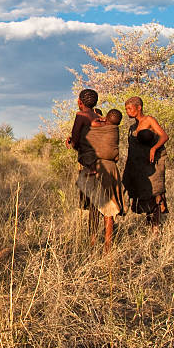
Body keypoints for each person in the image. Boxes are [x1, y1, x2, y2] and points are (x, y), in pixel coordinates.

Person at [66, 89, 123, 252]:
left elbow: (76, 141)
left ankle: (92, 241)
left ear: (79, 101)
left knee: (94, 205)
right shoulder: (102, 119)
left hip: (93, 166)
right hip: (108, 166)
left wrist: (73, 142)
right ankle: (108, 246)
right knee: (109, 208)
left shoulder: (82, 116)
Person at [122, 96, 168, 232]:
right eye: (126, 109)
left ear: (139, 107)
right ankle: (149, 224)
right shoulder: (132, 127)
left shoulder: (149, 120)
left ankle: (155, 227)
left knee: (155, 192)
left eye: (130, 108)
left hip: (152, 164)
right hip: (138, 165)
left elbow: (164, 136)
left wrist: (154, 148)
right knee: (143, 192)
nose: (128, 112)